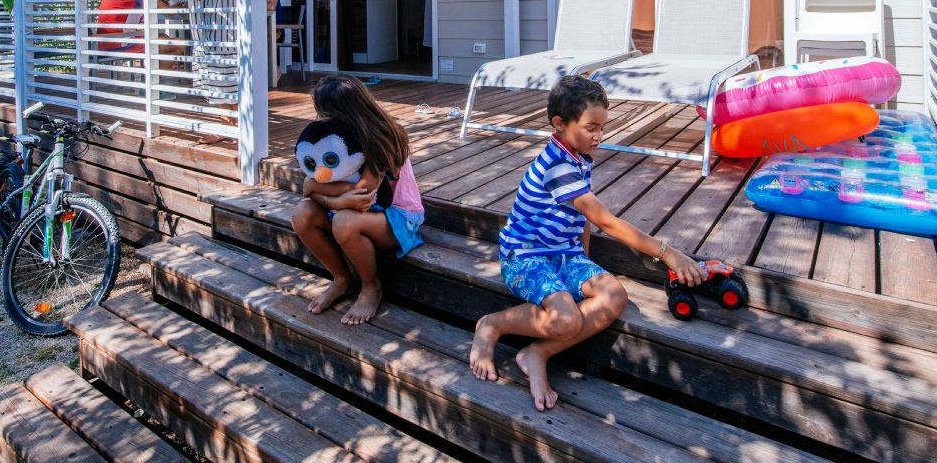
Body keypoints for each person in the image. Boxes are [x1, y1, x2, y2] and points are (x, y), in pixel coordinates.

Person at [468, 75, 705, 412]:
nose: (599, 136)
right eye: (591, 127)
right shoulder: (557, 166)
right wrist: (669, 254)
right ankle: (491, 324)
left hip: (563, 255)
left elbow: (582, 221)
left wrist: (584, 264)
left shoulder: (576, 156)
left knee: (614, 294)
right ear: (560, 124)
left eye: (602, 128)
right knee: (567, 320)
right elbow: (604, 219)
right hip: (525, 257)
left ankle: (537, 351)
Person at [291, 74, 424, 326]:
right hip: (351, 210)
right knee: (302, 213)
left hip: (396, 216)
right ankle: (342, 279)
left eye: (325, 112)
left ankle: (371, 286)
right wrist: (322, 192)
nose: (322, 119)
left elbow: (364, 196)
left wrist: (315, 189)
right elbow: (318, 185)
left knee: (344, 221)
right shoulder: (338, 135)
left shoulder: (383, 136)